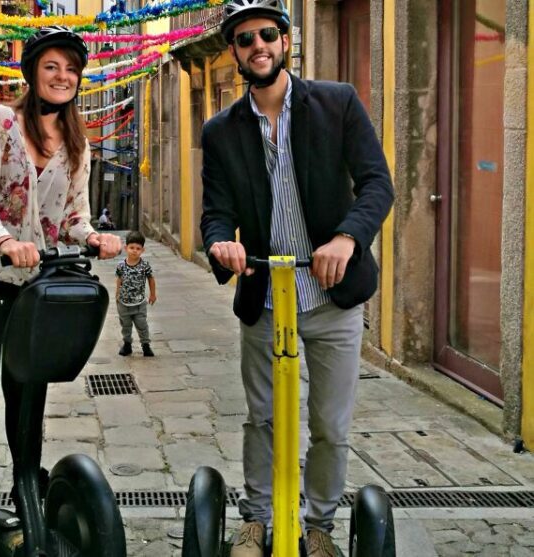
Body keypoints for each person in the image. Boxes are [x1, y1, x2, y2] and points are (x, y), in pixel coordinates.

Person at [199, 1, 395, 556]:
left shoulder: (336, 103)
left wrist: (347, 238)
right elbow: (215, 211)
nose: (257, 45)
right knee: (261, 418)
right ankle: (256, 519)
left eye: (266, 34)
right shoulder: (221, 131)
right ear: (234, 52)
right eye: (244, 39)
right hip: (265, 296)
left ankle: (319, 527)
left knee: (330, 425)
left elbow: (377, 184)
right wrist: (221, 243)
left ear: (285, 41)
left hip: (334, 298)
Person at [0, 26, 123, 556]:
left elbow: (73, 215)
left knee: (28, 403)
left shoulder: (77, 143)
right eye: (52, 66)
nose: (62, 77)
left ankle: (29, 505)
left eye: (70, 69)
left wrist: (92, 237)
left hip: (33, 291)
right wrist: (2, 240)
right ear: (33, 72)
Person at [115, 230, 156, 357]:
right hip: (123, 302)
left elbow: (151, 279)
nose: (134, 250)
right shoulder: (121, 265)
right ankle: (127, 345)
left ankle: (145, 345)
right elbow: (119, 279)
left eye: (138, 248)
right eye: (132, 247)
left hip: (139, 304)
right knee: (125, 326)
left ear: (142, 250)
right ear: (126, 248)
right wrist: (117, 293)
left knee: (142, 325)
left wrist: (153, 294)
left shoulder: (144, 265)